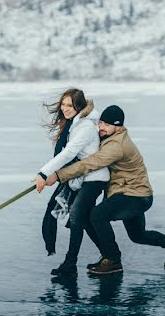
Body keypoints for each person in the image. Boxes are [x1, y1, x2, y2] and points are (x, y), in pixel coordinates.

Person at [46, 105, 165, 274]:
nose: (101, 127)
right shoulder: (110, 136)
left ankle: (113, 260)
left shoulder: (116, 146)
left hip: (134, 196)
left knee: (97, 215)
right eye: (101, 123)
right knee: (138, 235)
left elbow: (90, 163)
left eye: (107, 125)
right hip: (134, 192)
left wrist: (58, 175)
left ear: (119, 126)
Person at [35, 89, 110, 276]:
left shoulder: (85, 126)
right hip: (83, 177)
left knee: (77, 216)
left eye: (70, 105)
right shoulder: (76, 124)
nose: (65, 109)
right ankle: (110, 255)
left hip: (94, 178)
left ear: (79, 106)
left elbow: (68, 153)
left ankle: (70, 264)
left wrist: (44, 173)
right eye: (63, 104)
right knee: (83, 219)